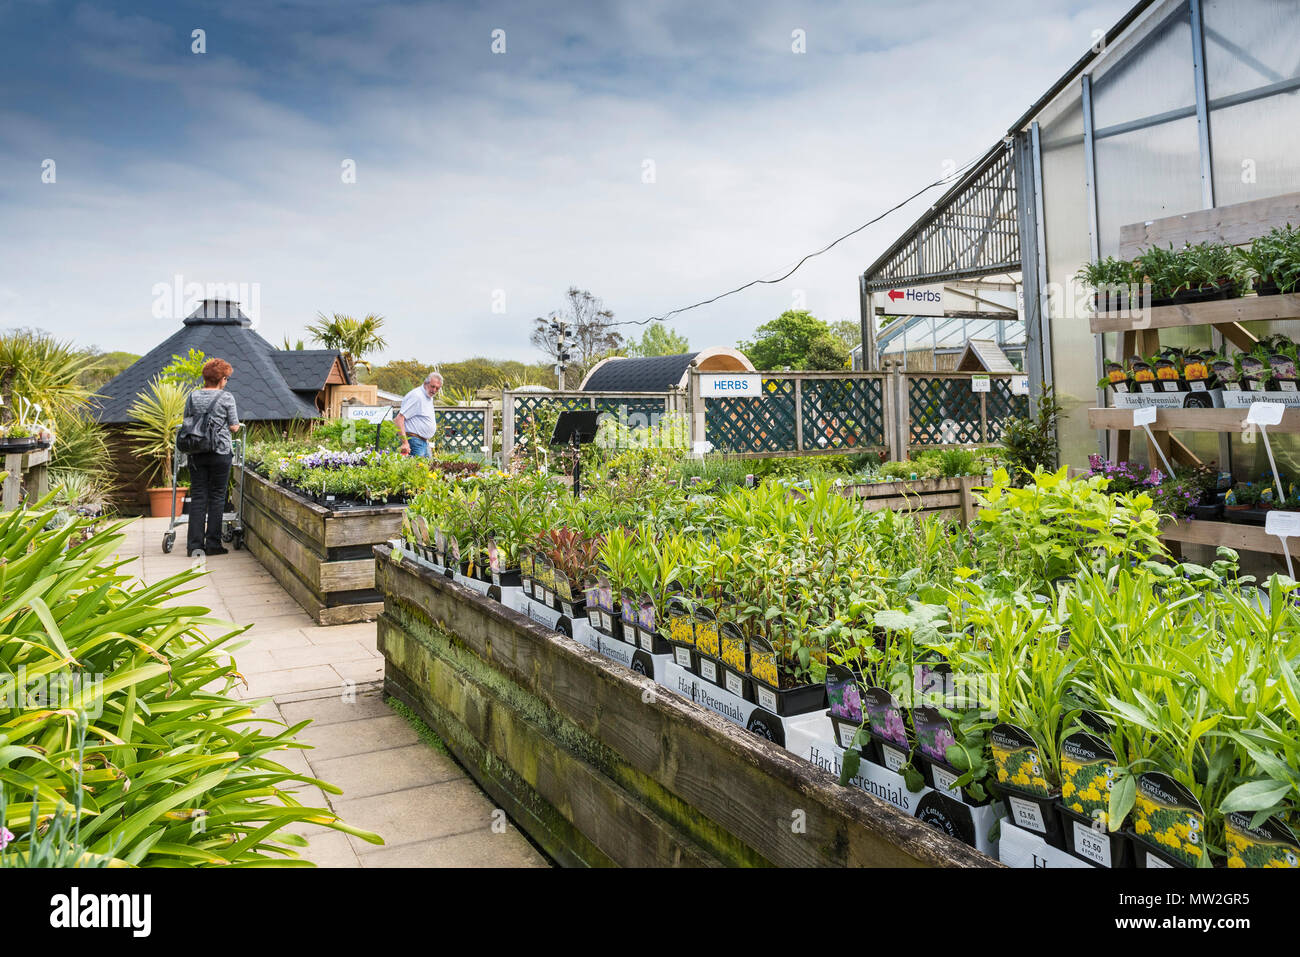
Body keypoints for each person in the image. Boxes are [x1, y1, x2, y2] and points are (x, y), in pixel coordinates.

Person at [184, 358, 241, 557]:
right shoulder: (226, 398)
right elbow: (234, 426)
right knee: (217, 497)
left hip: (197, 451)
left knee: (198, 497)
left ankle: (194, 546)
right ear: (222, 379)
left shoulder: (193, 396)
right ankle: (213, 544)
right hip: (220, 452)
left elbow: (187, 420)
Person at [395, 372, 442, 458]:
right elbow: (399, 419)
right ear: (425, 383)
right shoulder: (417, 396)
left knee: (428, 469)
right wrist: (405, 443)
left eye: (437, 388)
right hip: (414, 441)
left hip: (423, 442)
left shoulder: (428, 397)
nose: (434, 390)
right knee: (417, 469)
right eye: (432, 386)